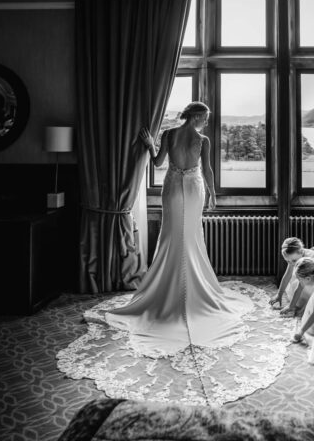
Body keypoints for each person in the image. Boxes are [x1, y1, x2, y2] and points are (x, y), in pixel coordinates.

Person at [103, 102, 254, 357]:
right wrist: (213, 195)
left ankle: (169, 286)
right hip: (194, 187)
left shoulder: (169, 134)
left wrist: (150, 144)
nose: (206, 122)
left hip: (172, 186)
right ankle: (187, 289)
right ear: (196, 116)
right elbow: (206, 169)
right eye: (204, 117)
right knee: (191, 235)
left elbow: (159, 161)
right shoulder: (202, 140)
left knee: (173, 235)